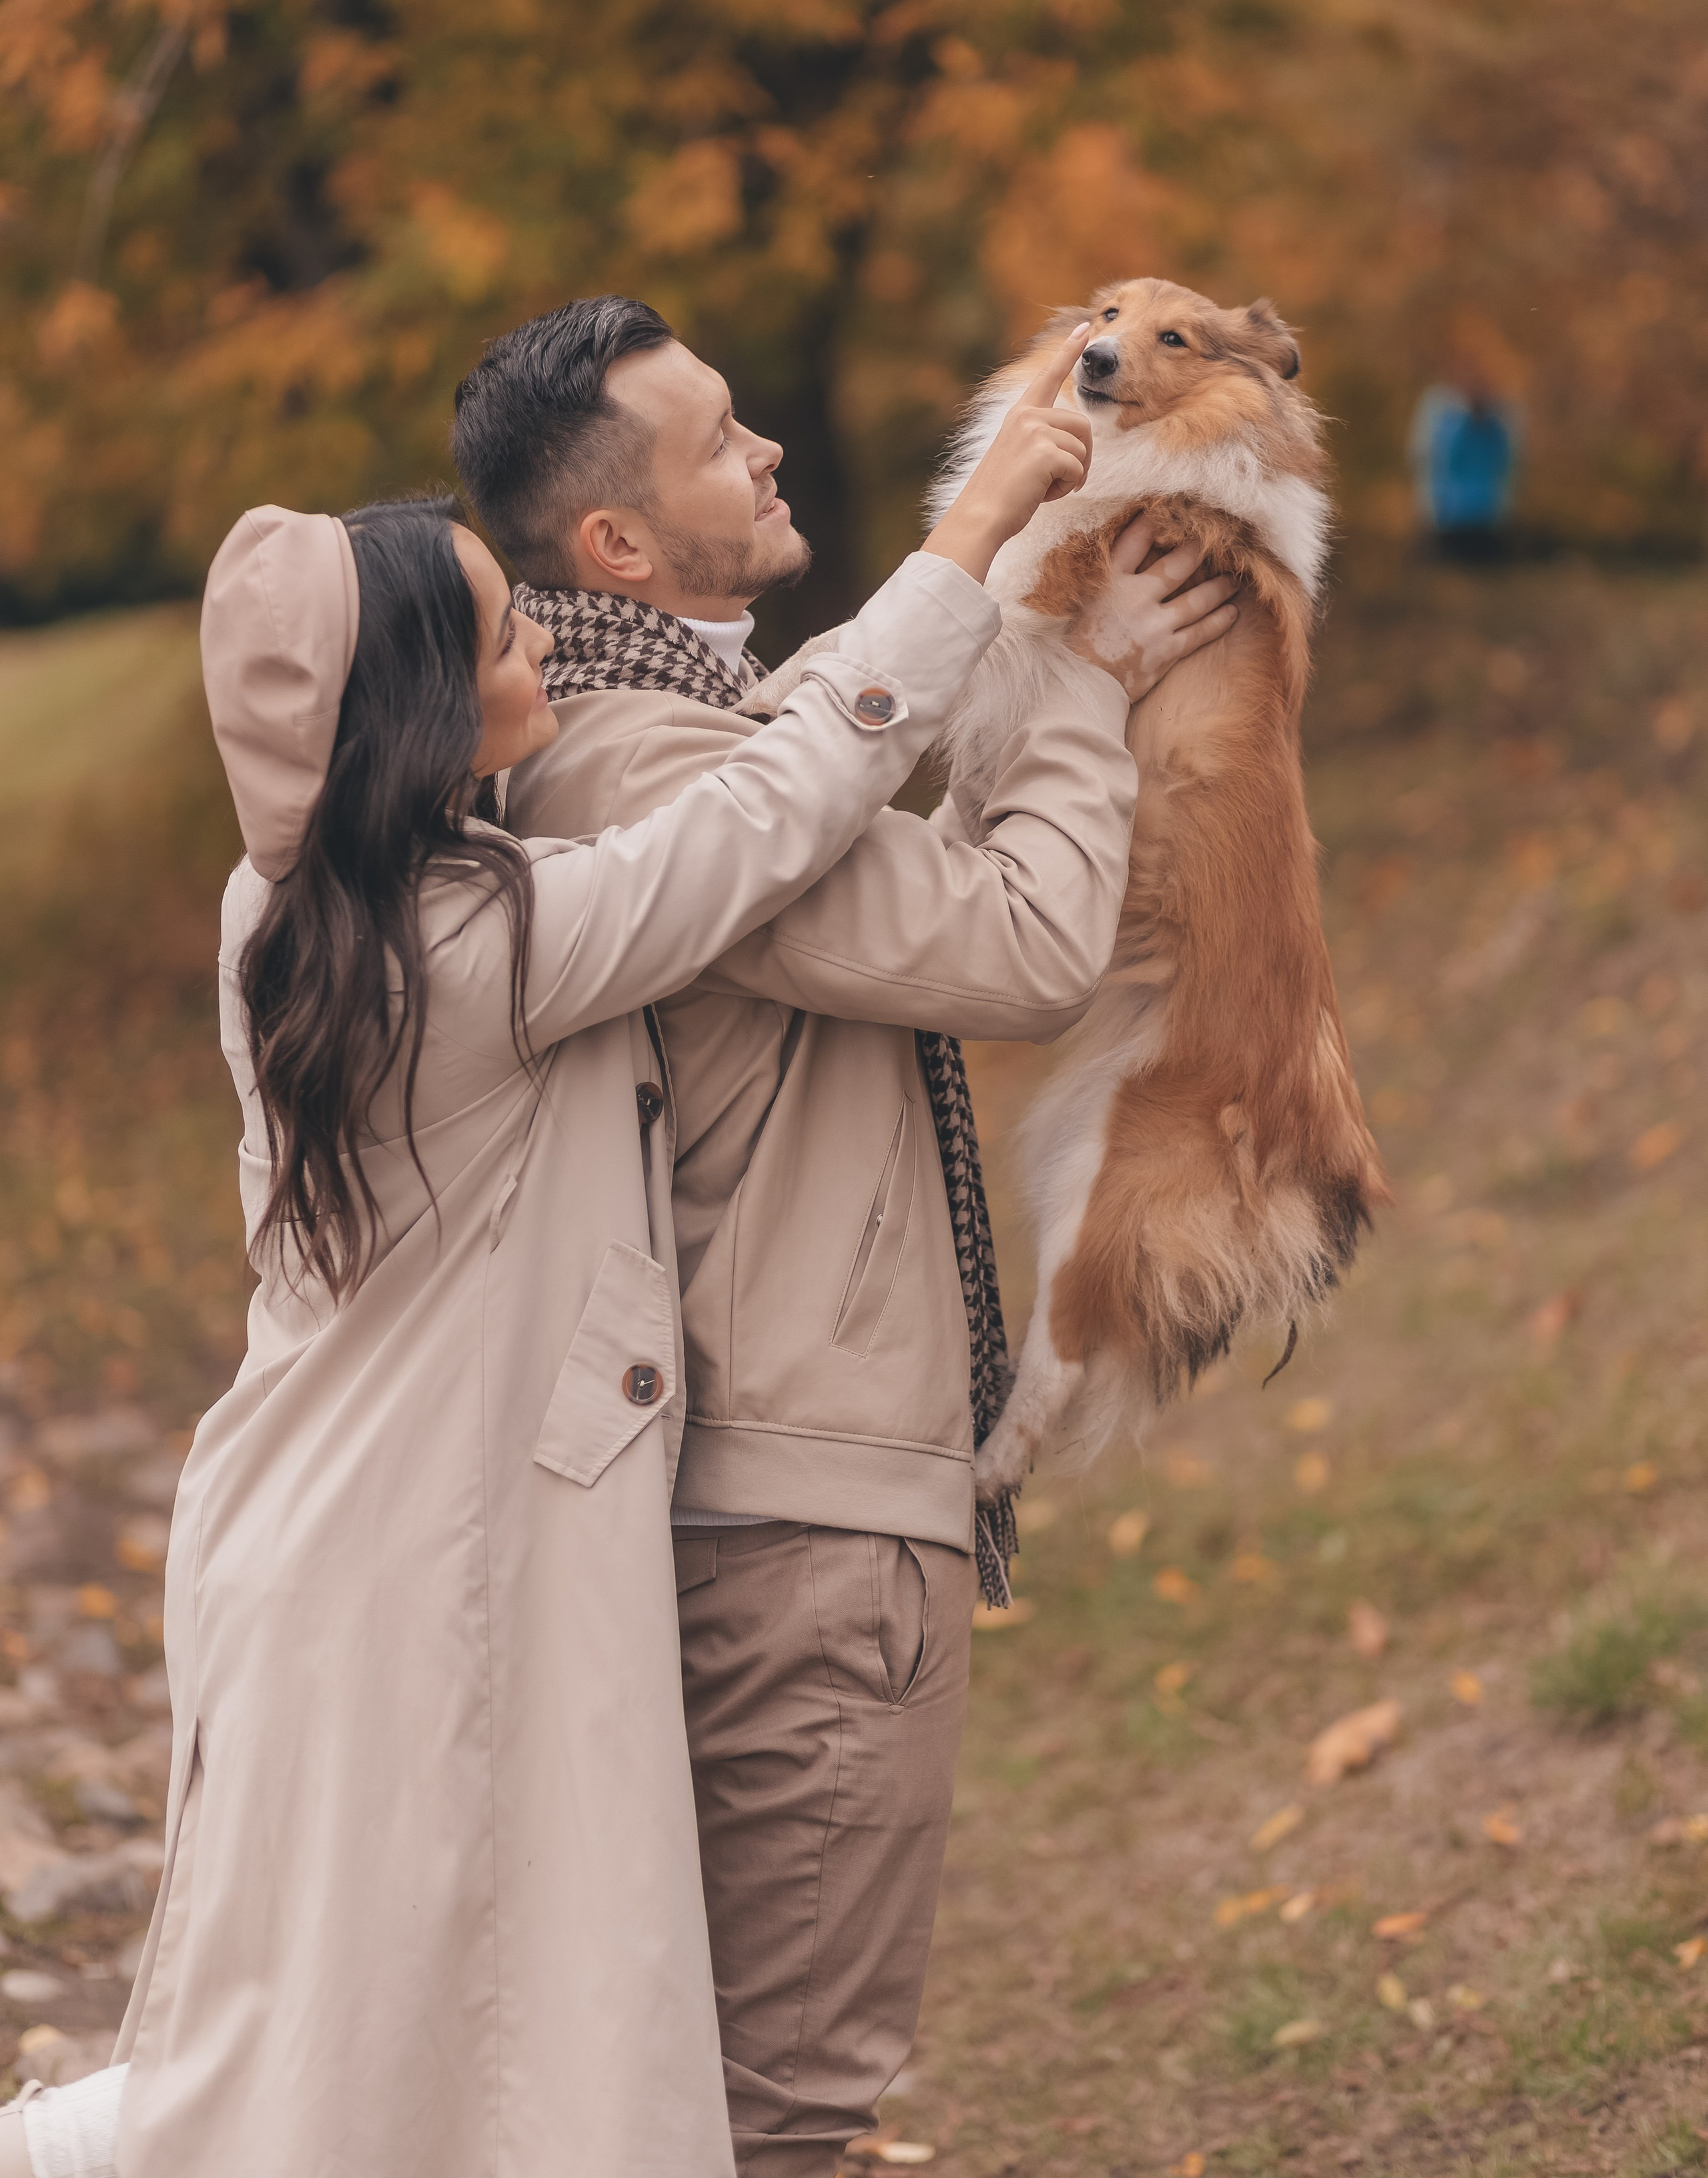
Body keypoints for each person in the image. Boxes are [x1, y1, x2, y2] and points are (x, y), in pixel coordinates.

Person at [0, 398, 1093, 2177]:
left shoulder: (300, 909)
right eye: (511, 630)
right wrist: (967, 551)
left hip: (335, 1543)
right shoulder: (480, 946)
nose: (545, 646)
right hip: (413, 1569)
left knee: (363, 2039)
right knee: (388, 2059)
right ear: (427, 711)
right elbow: (767, 811)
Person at [456, 297, 1241, 2177]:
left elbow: (886, 834)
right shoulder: (642, 771)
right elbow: (1024, 944)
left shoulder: (695, 735)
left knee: (705, 2091)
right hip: (799, 1528)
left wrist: (1040, 667)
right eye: (721, 439)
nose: (773, 450)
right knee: (781, 2109)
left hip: (763, 1498)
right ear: (617, 549)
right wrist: (1071, 673)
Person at [1408, 368, 1523, 562]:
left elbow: (1507, 464)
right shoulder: (1447, 419)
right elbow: (1438, 461)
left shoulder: (1496, 425)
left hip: (1485, 521)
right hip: (1451, 521)